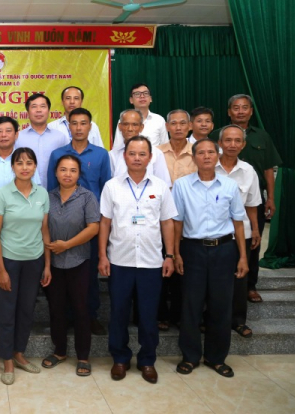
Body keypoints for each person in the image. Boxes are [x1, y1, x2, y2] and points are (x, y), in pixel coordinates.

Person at [98, 136, 177, 384]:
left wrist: (170, 255)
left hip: (151, 262)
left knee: (148, 314)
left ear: (150, 157)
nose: (137, 158)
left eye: (142, 154)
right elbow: (105, 223)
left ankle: (147, 361)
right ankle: (120, 359)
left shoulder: (160, 187)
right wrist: (102, 255)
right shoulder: (112, 186)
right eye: (132, 153)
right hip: (120, 260)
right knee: (119, 313)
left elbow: (167, 223)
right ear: (125, 156)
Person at [172, 139, 248, 378]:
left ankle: (216, 358)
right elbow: (177, 223)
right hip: (192, 250)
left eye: (210, 152)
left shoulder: (229, 186)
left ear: (217, 155)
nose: (206, 156)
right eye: (201, 152)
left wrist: (243, 256)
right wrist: (175, 253)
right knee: (191, 305)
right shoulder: (181, 185)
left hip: (224, 250)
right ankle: (190, 356)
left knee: (221, 306)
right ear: (193, 157)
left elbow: (238, 222)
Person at [210, 94, 282, 304]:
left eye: (245, 108)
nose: (240, 111)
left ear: (251, 111)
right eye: (236, 108)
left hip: (251, 200)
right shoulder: (217, 134)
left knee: (253, 243)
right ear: (229, 112)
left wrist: (270, 198)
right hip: (218, 203)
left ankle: (250, 285)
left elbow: (268, 168)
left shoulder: (262, 136)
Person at [0, 116, 40, 339]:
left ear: (16, 134)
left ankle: (17, 323)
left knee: (15, 276)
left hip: (20, 228)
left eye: (8, 131)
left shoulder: (25, 160)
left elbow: (36, 189)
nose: (3, 135)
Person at [0, 147, 51, 385]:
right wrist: (1, 269)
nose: (25, 167)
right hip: (9, 260)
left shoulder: (42, 194)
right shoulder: (2, 194)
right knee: (7, 312)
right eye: (20, 163)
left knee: (26, 310)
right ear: (12, 167)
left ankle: (19, 354)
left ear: (35, 166)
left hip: (34, 260)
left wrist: (47, 265)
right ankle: (6, 360)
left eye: (29, 163)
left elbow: (44, 230)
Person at [47, 108, 111, 335]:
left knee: (88, 275)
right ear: (69, 126)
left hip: (90, 224)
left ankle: (90, 316)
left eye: (84, 123)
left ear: (90, 126)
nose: (79, 128)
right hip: (61, 222)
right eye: (74, 123)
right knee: (60, 275)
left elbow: (107, 189)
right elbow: (50, 189)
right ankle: (64, 318)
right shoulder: (58, 155)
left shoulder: (102, 155)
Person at [42, 154, 99, 377]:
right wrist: (48, 261)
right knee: (56, 309)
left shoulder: (87, 197)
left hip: (79, 261)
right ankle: (60, 351)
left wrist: (67, 245)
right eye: (63, 170)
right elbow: (43, 228)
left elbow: (94, 227)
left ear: (79, 174)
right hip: (53, 263)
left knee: (81, 309)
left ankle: (83, 356)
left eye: (73, 170)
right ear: (56, 173)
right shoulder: (47, 197)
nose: (67, 174)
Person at [216, 125, 262, 338]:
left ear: (243, 145)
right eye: (228, 140)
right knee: (213, 281)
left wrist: (255, 229)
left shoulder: (248, 171)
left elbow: (252, 204)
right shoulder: (207, 165)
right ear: (220, 143)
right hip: (213, 235)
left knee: (239, 279)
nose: (232, 144)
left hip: (239, 235)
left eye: (237, 141)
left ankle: (238, 321)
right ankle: (211, 320)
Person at [156, 110, 197, 332]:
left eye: (183, 123)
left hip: (189, 219)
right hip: (161, 218)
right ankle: (161, 314)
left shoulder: (198, 153)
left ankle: (181, 315)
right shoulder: (156, 153)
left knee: (185, 269)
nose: (179, 127)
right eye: (174, 123)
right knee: (162, 263)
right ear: (167, 127)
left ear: (190, 126)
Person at [15, 93, 68, 187]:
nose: (38, 110)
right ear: (28, 112)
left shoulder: (60, 137)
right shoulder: (18, 137)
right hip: (26, 192)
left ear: (48, 111)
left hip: (54, 192)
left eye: (43, 106)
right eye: (34, 107)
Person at [110, 109, 172, 187]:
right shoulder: (112, 155)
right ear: (120, 127)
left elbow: (164, 185)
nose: (130, 129)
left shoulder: (156, 153)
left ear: (141, 127)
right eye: (126, 124)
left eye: (135, 125)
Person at [112, 83, 169, 150]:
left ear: (150, 99)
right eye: (137, 94)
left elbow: (165, 147)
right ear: (131, 100)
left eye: (145, 93)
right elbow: (117, 148)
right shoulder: (124, 120)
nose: (142, 96)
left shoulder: (159, 120)